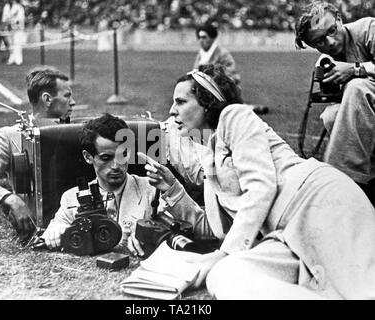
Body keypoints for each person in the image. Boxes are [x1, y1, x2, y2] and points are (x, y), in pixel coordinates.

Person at [144, 64, 375, 299]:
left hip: (319, 202)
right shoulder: (207, 152)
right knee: (224, 274)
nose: (172, 110)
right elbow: (215, 229)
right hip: (285, 235)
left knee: (361, 289)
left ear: (207, 102)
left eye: (181, 101)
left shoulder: (234, 116)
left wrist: (225, 252)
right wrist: (172, 188)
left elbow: (261, 187)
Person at [0, 66, 75, 240]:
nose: (73, 102)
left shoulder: (77, 132)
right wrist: (10, 198)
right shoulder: (11, 136)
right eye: (67, 96)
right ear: (47, 99)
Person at [294, 1, 375, 205]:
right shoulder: (325, 61)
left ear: (339, 19)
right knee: (331, 115)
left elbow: (359, 85)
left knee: (357, 87)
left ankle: (343, 182)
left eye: (332, 30)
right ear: (312, 46)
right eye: (320, 41)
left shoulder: (368, 29)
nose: (329, 42)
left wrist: (354, 69)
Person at [42, 114, 157, 256]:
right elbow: (54, 229)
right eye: (106, 158)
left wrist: (150, 235)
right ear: (87, 157)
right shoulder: (71, 198)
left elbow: (185, 226)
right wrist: (57, 231)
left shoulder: (151, 189)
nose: (116, 166)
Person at [193, 23, 268, 114]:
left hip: (223, 90)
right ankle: (248, 108)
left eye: (204, 37)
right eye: (199, 37)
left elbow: (231, 74)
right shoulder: (200, 54)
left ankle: (248, 108)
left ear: (212, 38)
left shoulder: (222, 53)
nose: (201, 40)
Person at [1, 0, 25, 65]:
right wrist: (6, 23)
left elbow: (20, 19)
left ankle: (18, 60)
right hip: (8, 29)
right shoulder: (6, 7)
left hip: (17, 29)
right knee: (10, 44)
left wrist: (12, 23)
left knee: (17, 43)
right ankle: (11, 59)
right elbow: (4, 18)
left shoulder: (19, 7)